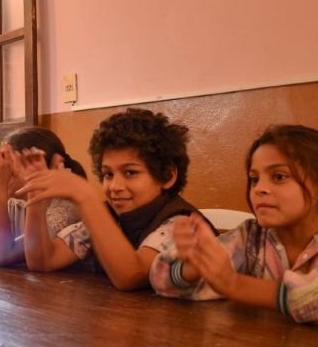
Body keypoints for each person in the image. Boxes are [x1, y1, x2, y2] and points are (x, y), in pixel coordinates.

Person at [150, 124, 318, 327]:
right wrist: (195, 266)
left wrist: (234, 284)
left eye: (278, 176)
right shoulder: (250, 238)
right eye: (254, 179)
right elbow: (160, 276)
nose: (259, 189)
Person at [19, 109, 211, 290]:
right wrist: (36, 199)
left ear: (168, 176)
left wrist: (85, 196)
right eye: (108, 174)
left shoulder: (180, 224)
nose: (114, 187)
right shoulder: (109, 216)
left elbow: (131, 276)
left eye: (130, 172)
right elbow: (43, 261)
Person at [0, 127, 83, 266]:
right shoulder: (15, 204)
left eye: (8, 162)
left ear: (38, 167)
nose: (1, 168)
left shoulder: (62, 211)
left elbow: (2, 257)